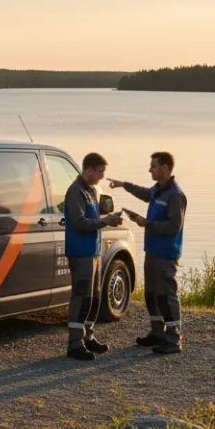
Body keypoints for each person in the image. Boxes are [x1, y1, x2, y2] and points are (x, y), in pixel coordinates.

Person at [110, 152, 188, 355]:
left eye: (153, 166)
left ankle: (173, 339)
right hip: (152, 251)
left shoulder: (175, 195)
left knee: (166, 295)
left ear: (164, 168)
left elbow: (174, 226)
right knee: (151, 294)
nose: (149, 169)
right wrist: (123, 184)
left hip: (165, 253)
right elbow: (145, 193)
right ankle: (157, 333)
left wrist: (147, 224)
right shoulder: (158, 190)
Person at [64, 152, 124, 361]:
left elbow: (92, 218)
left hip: (93, 251)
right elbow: (79, 222)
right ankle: (74, 344)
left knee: (94, 298)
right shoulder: (75, 192)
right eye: (100, 172)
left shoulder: (91, 190)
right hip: (80, 253)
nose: (101, 177)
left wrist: (106, 218)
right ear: (89, 170)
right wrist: (105, 222)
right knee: (81, 297)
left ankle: (88, 336)